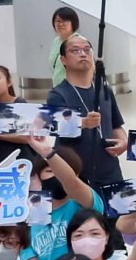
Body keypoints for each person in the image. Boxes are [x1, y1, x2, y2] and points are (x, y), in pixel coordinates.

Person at [44, 30, 128, 203]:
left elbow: (116, 125)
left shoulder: (104, 90)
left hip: (109, 170)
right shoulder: (57, 94)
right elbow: (56, 126)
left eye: (87, 49)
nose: (82, 53)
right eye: (75, 50)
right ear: (63, 60)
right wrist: (83, 122)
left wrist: (123, 142)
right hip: (76, 174)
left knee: (116, 217)